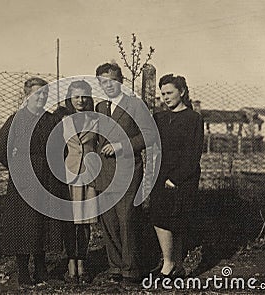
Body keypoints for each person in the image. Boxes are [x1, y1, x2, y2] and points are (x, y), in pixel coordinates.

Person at [0, 77, 68, 286]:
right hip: (24, 180)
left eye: (44, 94)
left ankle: (41, 267)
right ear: (27, 96)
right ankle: (23, 271)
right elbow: (1, 150)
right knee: (24, 223)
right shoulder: (16, 120)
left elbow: (62, 149)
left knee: (43, 224)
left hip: (47, 178)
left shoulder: (51, 120)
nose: (41, 98)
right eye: (37, 94)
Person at [94, 62, 155, 283]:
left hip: (128, 172)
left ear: (121, 81)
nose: (108, 85)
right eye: (103, 82)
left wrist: (121, 146)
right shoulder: (100, 107)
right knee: (109, 223)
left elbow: (149, 135)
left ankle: (131, 270)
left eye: (112, 80)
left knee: (127, 220)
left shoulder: (135, 105)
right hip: (104, 173)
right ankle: (116, 267)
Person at [150, 74, 204, 278]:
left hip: (183, 177)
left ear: (181, 92)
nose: (165, 97)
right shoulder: (160, 118)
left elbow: (194, 152)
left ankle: (173, 265)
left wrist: (176, 179)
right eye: (162, 93)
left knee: (176, 220)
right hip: (161, 174)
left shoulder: (194, 118)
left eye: (169, 93)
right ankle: (172, 263)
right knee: (159, 217)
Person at [55, 80, 99, 284]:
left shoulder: (96, 119)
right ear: (70, 99)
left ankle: (82, 263)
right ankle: (70, 263)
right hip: (68, 176)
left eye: (84, 96)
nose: (80, 101)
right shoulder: (62, 120)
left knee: (85, 223)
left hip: (89, 176)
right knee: (69, 222)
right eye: (76, 97)